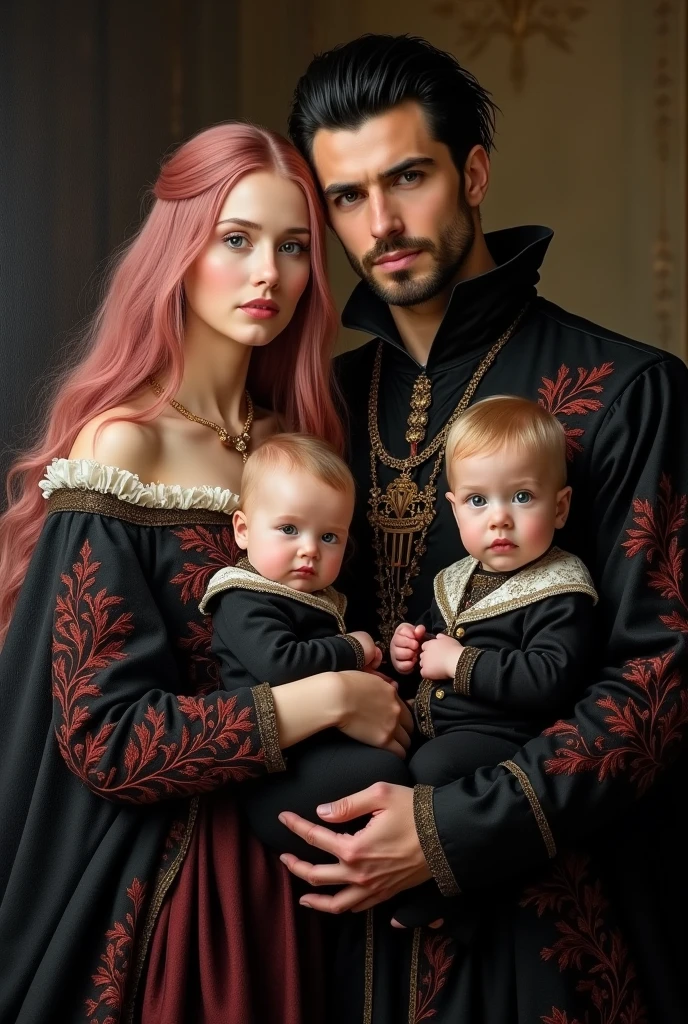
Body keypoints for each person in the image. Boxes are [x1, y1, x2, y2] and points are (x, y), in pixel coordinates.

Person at [278, 33, 688, 1022]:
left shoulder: (628, 392)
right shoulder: (316, 409)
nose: (380, 223)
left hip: (545, 928)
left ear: (471, 173)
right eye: (345, 196)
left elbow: (657, 681)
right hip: (332, 933)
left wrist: (448, 829)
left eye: (407, 177)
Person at [0, 122, 413, 1024]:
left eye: (293, 246)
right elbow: (109, 740)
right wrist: (333, 697)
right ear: (180, 252)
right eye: (237, 240)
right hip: (179, 898)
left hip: (318, 875)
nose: (268, 273)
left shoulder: (301, 450)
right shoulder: (124, 446)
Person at [198, 432, 409, 862]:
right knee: (391, 774)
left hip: (320, 751)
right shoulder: (241, 597)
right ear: (243, 530)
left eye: (330, 537)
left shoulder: (317, 598)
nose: (309, 549)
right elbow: (281, 663)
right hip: (276, 773)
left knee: (426, 763)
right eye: (289, 529)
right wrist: (353, 648)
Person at [391, 395, 598, 786]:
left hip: (503, 737)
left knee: (432, 767)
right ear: (454, 510)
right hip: (430, 723)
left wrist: (459, 663)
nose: (499, 518)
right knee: (373, 755)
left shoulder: (560, 588)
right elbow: (432, 638)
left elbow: (548, 678)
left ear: (559, 507)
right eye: (477, 500)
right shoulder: (455, 578)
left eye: (522, 497)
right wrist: (406, 647)